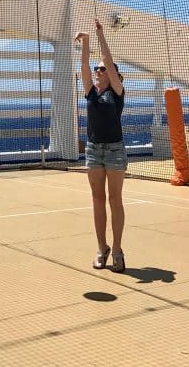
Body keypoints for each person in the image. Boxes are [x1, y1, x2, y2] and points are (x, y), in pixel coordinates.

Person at [74, 18, 127, 273]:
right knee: (97, 199)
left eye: (102, 69)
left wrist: (100, 35)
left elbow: (106, 57)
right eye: (97, 69)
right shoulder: (91, 93)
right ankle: (102, 248)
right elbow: (84, 64)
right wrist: (85, 41)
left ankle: (117, 250)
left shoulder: (117, 92)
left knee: (115, 199)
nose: (97, 71)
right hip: (94, 151)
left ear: (113, 74)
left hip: (115, 150)